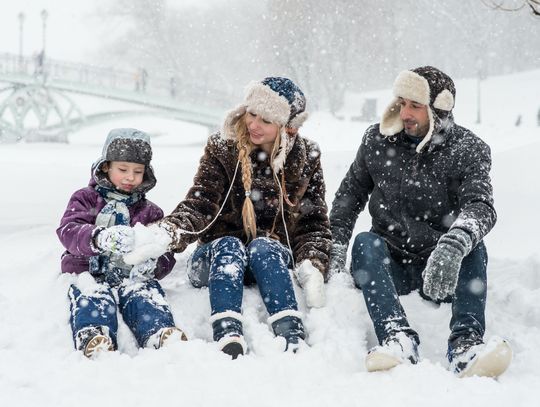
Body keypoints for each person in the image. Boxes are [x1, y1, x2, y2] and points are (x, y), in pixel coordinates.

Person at [329, 66, 511, 378]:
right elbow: (348, 197)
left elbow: (481, 206)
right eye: (401, 103)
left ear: (438, 110)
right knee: (364, 243)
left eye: (415, 105)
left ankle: (466, 345)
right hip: (390, 265)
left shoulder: (468, 149)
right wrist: (333, 249)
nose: (405, 113)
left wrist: (453, 246)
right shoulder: (376, 141)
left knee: (473, 245)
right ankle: (397, 338)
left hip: (442, 270)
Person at [130, 77, 331, 359]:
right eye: (252, 113)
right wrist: (168, 232)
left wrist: (313, 262)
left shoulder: (306, 156)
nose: (254, 125)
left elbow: (314, 222)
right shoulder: (222, 148)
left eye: (266, 120)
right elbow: (200, 203)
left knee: (265, 246)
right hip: (215, 259)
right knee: (229, 245)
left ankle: (290, 331)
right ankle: (227, 331)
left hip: (268, 261)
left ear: (287, 127)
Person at [57, 128, 187, 358]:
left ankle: (158, 331)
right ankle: (94, 334)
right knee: (92, 295)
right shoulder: (85, 198)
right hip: (88, 270)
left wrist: (153, 264)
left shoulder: (150, 212)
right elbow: (68, 230)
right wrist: (98, 237)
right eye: (123, 169)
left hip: (131, 275)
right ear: (106, 166)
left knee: (145, 294)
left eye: (138, 171)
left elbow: (164, 250)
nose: (130, 177)